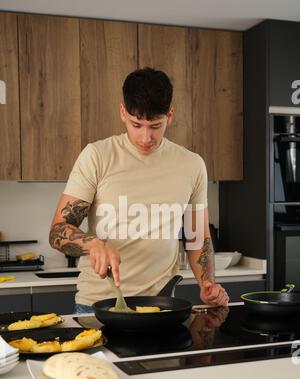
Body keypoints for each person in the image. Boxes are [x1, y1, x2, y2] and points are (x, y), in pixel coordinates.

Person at [49, 67, 229, 314]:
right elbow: (58, 231)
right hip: (98, 307)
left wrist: (206, 282)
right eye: (136, 124)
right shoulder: (97, 156)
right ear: (123, 112)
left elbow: (198, 236)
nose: (146, 137)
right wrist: (93, 243)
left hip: (161, 306)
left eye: (156, 126)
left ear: (170, 115)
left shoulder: (192, 164)